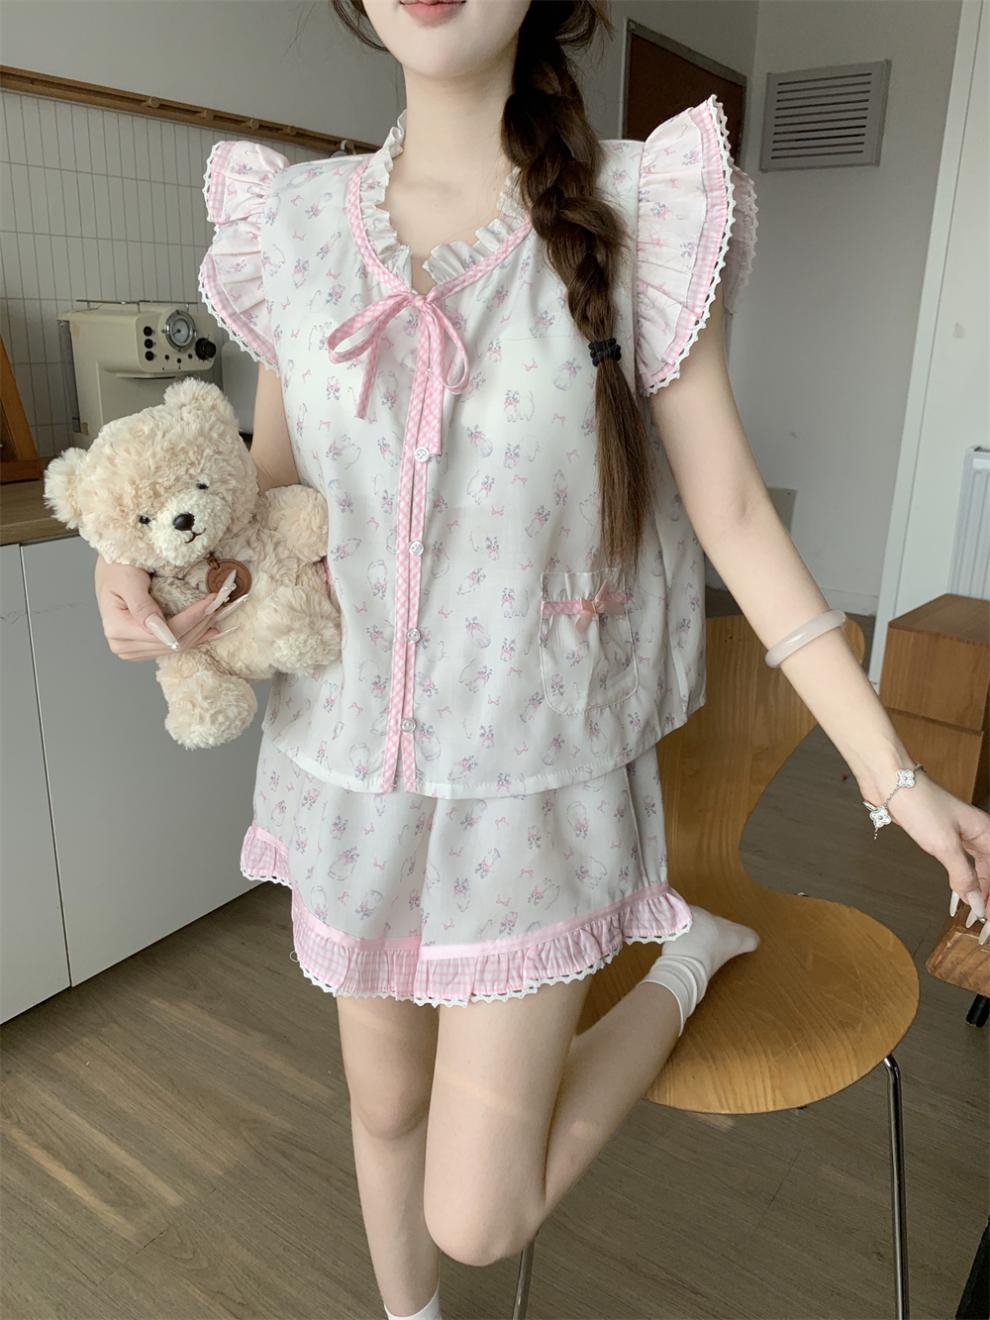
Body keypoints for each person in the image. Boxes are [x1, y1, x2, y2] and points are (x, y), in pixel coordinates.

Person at [92, 3, 990, 1317]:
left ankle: (686, 957)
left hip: (532, 792)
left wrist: (896, 778)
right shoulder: (291, 224)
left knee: (477, 1214)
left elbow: (737, 516)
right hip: (343, 772)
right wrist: (147, 570)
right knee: (382, 1106)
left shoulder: (642, 214)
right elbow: (267, 498)